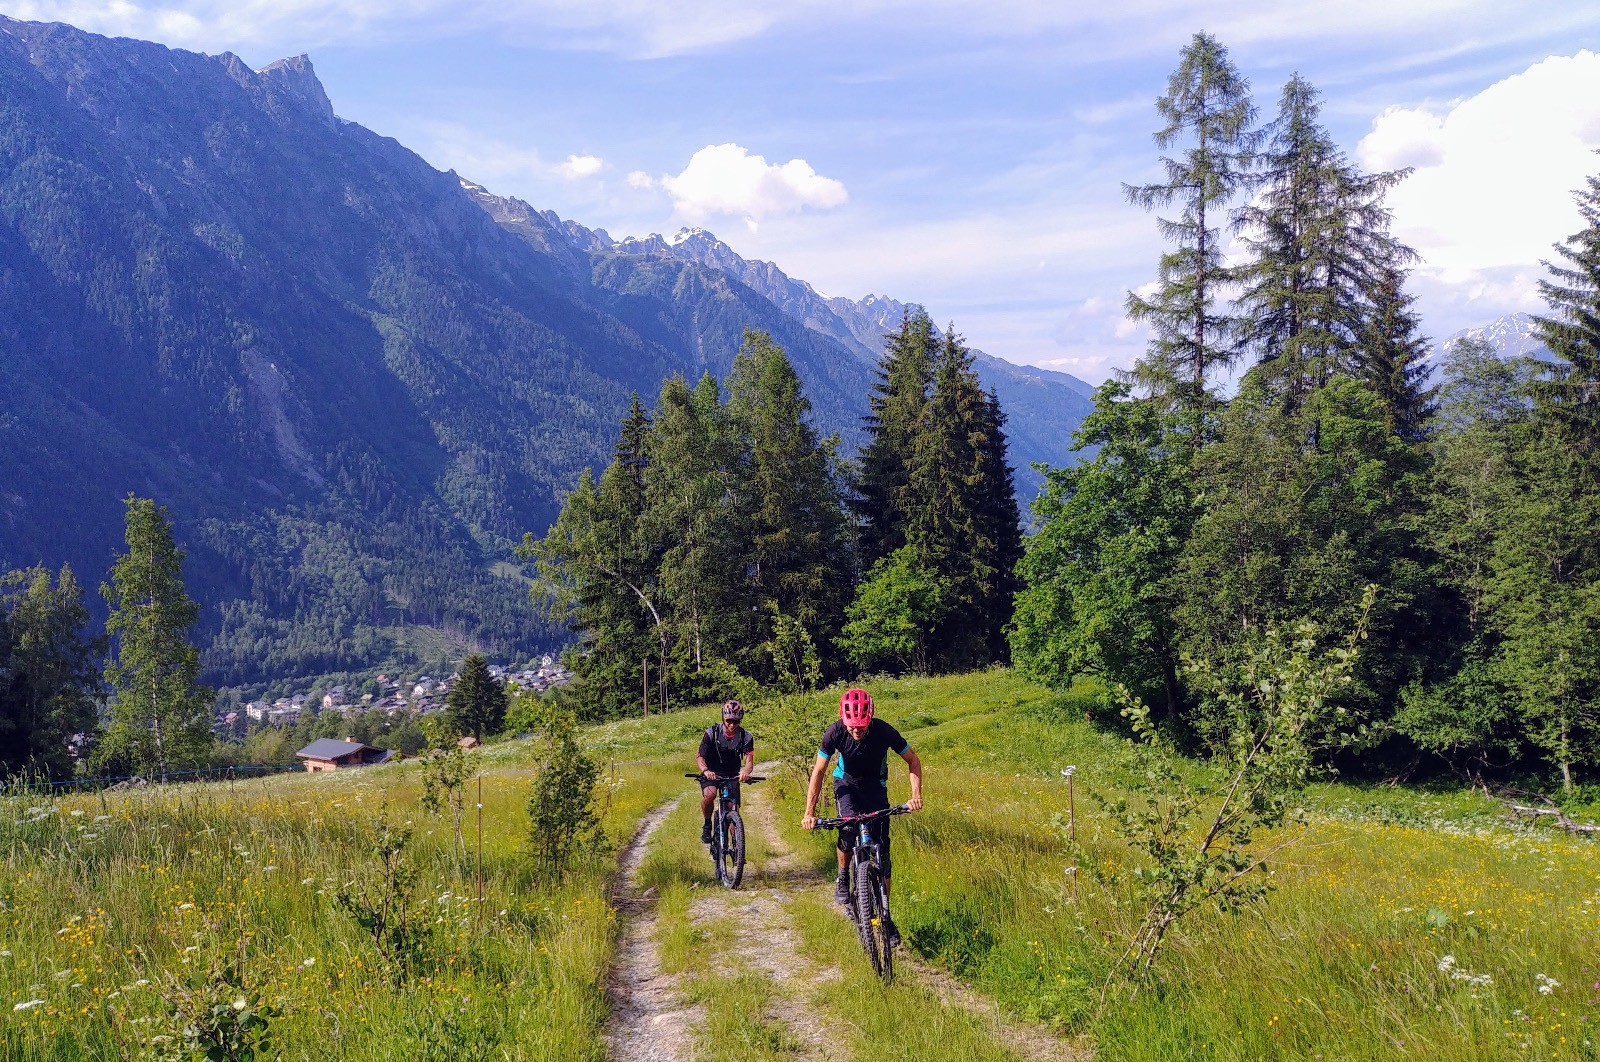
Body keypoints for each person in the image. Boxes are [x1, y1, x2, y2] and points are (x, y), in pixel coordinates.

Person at [801, 687, 923, 945]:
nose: (856, 730)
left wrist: (915, 795)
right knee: (847, 828)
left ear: (870, 719)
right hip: (845, 784)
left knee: (884, 855)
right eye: (852, 726)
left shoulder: (884, 731)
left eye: (862, 726)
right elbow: (819, 772)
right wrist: (809, 813)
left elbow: (913, 760)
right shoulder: (834, 732)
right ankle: (843, 877)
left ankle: (886, 917)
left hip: (875, 787)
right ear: (844, 721)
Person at [698, 700, 755, 844]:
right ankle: (707, 824)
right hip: (711, 771)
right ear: (723, 718)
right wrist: (705, 770)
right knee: (710, 795)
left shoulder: (746, 737)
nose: (732, 725)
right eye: (729, 721)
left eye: (736, 722)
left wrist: (745, 772)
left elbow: (749, 762)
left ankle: (738, 844)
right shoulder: (711, 733)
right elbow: (701, 757)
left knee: (733, 808)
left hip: (732, 773)